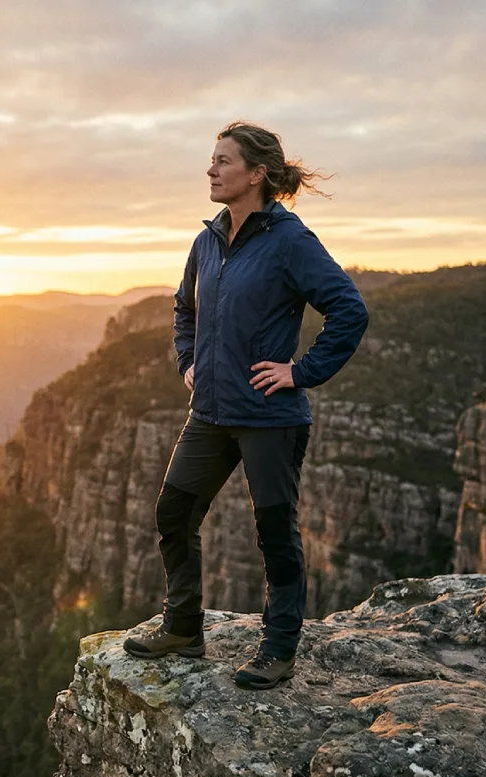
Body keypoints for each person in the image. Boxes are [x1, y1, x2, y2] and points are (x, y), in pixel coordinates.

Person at [122, 122, 370, 689]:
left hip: (268, 417)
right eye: (211, 160)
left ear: (257, 174)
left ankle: (278, 648)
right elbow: (184, 309)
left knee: (275, 533)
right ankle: (184, 628)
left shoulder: (289, 240)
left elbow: (348, 309)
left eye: (223, 161)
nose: (210, 170)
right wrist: (188, 362)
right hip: (208, 413)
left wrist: (300, 372)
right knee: (174, 514)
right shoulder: (207, 240)